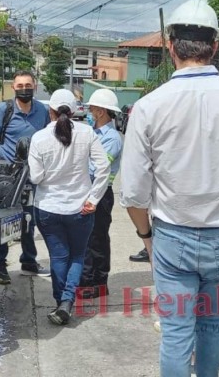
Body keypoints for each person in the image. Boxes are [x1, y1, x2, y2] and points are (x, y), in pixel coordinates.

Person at [120, 0, 219, 377]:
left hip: (172, 237)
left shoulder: (149, 106)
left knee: (176, 336)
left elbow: (133, 194)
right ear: (215, 46)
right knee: (212, 330)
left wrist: (147, 236)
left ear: (171, 46)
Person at [28, 89, 110, 325]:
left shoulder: (39, 138)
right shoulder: (87, 133)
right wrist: (93, 199)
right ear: (74, 111)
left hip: (48, 208)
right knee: (77, 255)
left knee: (58, 256)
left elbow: (35, 177)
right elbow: (103, 167)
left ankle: (61, 302)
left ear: (50, 111)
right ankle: (66, 302)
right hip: (81, 208)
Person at [0, 70, 50, 284]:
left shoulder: (42, 110)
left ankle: (29, 262)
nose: (25, 89)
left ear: (35, 86)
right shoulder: (4, 109)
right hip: (7, 175)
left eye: (28, 85)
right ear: (13, 88)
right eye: (20, 85)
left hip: (32, 174)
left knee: (29, 220)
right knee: (5, 221)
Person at [79, 89, 123, 299]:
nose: (90, 111)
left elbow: (97, 167)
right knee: (86, 238)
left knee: (97, 239)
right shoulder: (91, 133)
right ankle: (86, 278)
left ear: (103, 111)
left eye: (93, 108)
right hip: (87, 190)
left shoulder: (112, 138)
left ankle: (97, 282)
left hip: (101, 194)